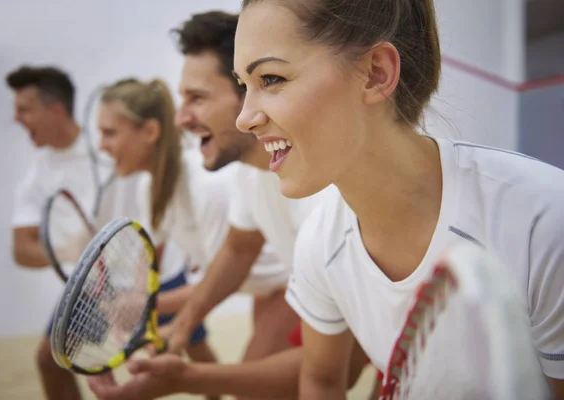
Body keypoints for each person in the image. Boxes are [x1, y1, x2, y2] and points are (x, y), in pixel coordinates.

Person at [234, 0, 564, 398]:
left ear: (375, 73)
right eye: (243, 86)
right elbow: (321, 382)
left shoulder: (544, 219)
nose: (244, 118)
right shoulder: (319, 243)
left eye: (270, 79)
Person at [88, 11, 381, 400]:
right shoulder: (249, 171)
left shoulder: (328, 197)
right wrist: (186, 321)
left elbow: (331, 373)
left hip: (363, 317)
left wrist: (183, 379)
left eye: (197, 98)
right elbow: (239, 248)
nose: (181, 118)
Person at [7, 65, 95, 400]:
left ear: (56, 110)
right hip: (88, 290)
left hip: (152, 271)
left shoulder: (108, 146)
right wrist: (70, 252)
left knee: (190, 352)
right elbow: (22, 250)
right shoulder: (35, 178)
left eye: (24, 109)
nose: (16, 119)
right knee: (50, 360)